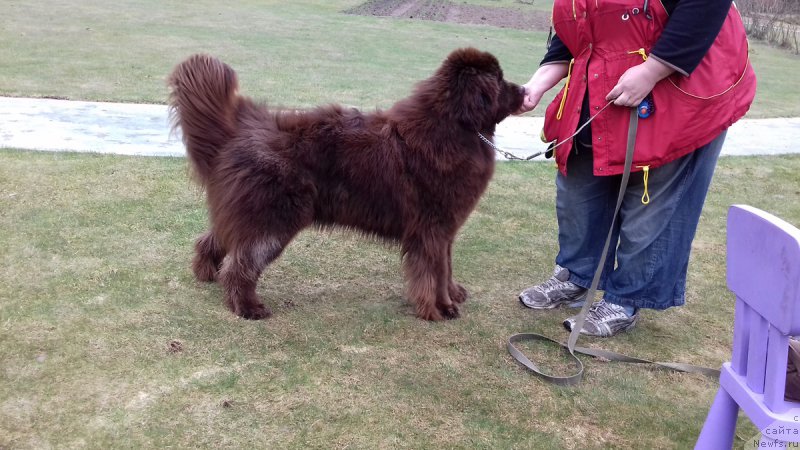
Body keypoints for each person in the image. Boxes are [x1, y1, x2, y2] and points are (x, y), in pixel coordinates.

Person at [514, 0, 757, 337]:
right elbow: (577, 30)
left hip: (679, 91)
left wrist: (653, 70)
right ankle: (576, 275)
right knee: (578, 190)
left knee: (650, 204)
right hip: (600, 83)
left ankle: (624, 299)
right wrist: (537, 85)